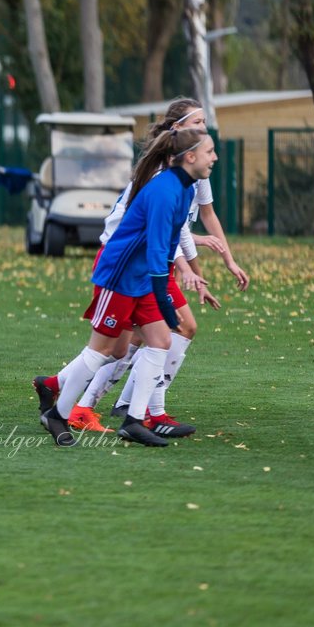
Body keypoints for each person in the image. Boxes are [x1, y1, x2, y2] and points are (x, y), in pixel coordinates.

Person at [56, 99, 250, 436]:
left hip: (147, 268)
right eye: (200, 123)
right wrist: (180, 276)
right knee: (109, 346)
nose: (209, 141)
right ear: (185, 145)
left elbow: (180, 229)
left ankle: (138, 416)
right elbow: (160, 240)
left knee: (155, 339)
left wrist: (199, 266)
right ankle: (64, 405)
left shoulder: (188, 177)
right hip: (124, 268)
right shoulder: (164, 183)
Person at [34, 127, 218, 448]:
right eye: (209, 152)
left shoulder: (186, 189)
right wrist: (165, 299)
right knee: (102, 350)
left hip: (144, 277)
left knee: (160, 341)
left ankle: (134, 421)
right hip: (119, 277)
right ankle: (58, 414)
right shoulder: (164, 191)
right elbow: (160, 251)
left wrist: (181, 278)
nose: (214, 158)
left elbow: (170, 243)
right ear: (190, 157)